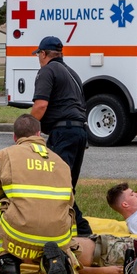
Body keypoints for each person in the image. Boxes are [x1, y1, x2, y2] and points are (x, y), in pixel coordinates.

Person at [0, 114, 78, 274]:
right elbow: (70, 202)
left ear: (15, 137)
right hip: (58, 237)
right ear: (39, 134)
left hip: (20, 234)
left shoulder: (5, 155)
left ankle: (4, 261)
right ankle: (55, 259)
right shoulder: (61, 162)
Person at [30, 36, 93, 236]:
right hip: (79, 131)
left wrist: (26, 129)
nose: (38, 58)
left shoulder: (47, 71)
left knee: (56, 184)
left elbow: (41, 105)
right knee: (67, 185)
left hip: (63, 132)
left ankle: (81, 229)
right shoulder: (71, 73)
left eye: (39, 54)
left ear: (43, 54)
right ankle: (72, 228)